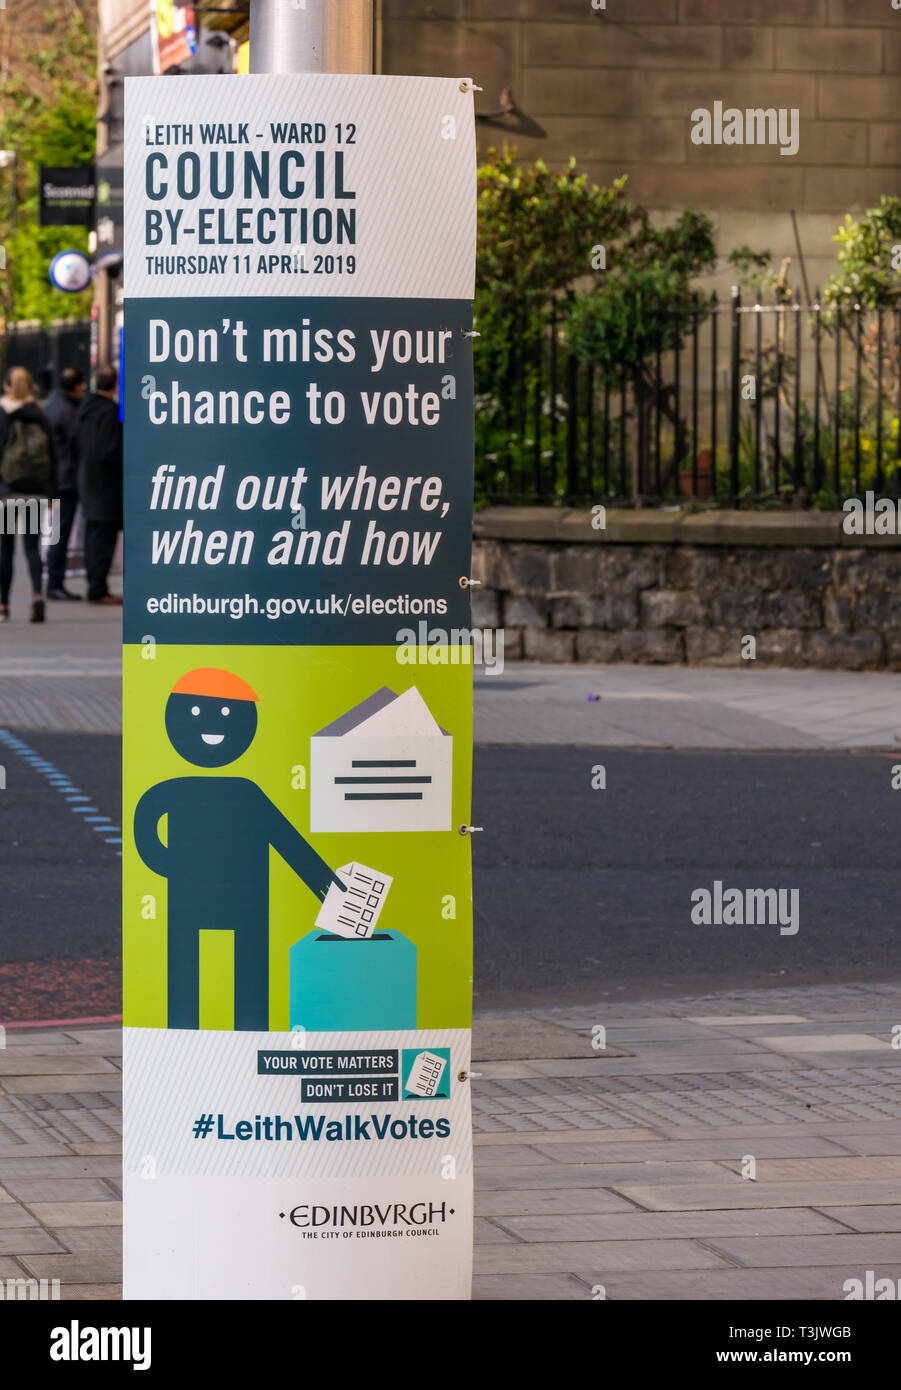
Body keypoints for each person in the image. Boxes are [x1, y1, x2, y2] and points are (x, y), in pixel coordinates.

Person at [134, 668, 346, 1030]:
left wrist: (328, 886)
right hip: (199, 895)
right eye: (198, 712)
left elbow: (288, 842)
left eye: (230, 713)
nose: (214, 722)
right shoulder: (181, 789)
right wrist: (173, 866)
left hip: (238, 898)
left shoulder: (245, 791)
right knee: (186, 965)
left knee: (248, 967)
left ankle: (249, 1029)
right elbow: (146, 825)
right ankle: (185, 1029)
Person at [0, 366, 56, 624]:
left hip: (7, 492)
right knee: (33, 549)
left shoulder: (3, 413)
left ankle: (3, 605)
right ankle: (36, 596)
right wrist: (51, 492)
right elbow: (52, 455)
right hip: (35, 492)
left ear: (8, 386)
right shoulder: (40, 414)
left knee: (6, 550)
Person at [76, 364, 122, 605]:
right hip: (106, 487)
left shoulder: (85, 409)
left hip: (88, 480)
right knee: (103, 540)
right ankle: (98, 589)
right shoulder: (109, 413)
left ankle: (95, 584)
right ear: (115, 384)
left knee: (94, 537)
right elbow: (110, 451)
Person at [43, 366, 86, 600]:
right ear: (77, 386)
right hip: (65, 480)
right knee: (60, 532)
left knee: (57, 532)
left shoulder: (52, 405)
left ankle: (53, 580)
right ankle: (54, 582)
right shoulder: (68, 411)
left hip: (56, 478)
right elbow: (78, 443)